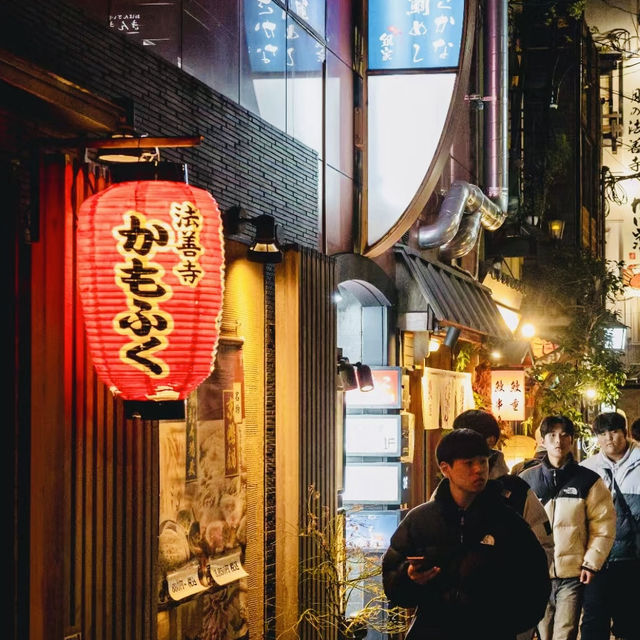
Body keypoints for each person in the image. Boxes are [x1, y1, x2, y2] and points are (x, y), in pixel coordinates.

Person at [382, 429, 551, 640]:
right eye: (469, 463)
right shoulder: (421, 521)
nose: (479, 469)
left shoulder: (508, 522)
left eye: (483, 461)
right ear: (446, 469)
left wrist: (506, 625)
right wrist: (409, 577)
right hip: (434, 631)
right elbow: (392, 583)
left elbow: (535, 581)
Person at [519, 415, 615, 640]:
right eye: (551, 435)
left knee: (566, 631)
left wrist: (591, 564)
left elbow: (603, 525)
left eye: (564, 435)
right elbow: (515, 525)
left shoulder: (588, 480)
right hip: (536, 572)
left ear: (571, 440)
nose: (558, 441)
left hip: (572, 572)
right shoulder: (526, 480)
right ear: (542, 440)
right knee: (544, 632)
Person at [451, 410, 554, 566]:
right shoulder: (447, 489)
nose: (461, 446)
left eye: (469, 438)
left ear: (490, 441)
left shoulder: (516, 490)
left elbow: (543, 544)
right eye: (457, 439)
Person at [579, 411, 640, 640]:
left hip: (633, 558)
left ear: (624, 432)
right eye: (602, 433)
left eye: (614, 431)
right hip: (598, 561)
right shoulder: (587, 468)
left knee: (632, 621)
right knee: (594, 620)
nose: (608, 438)